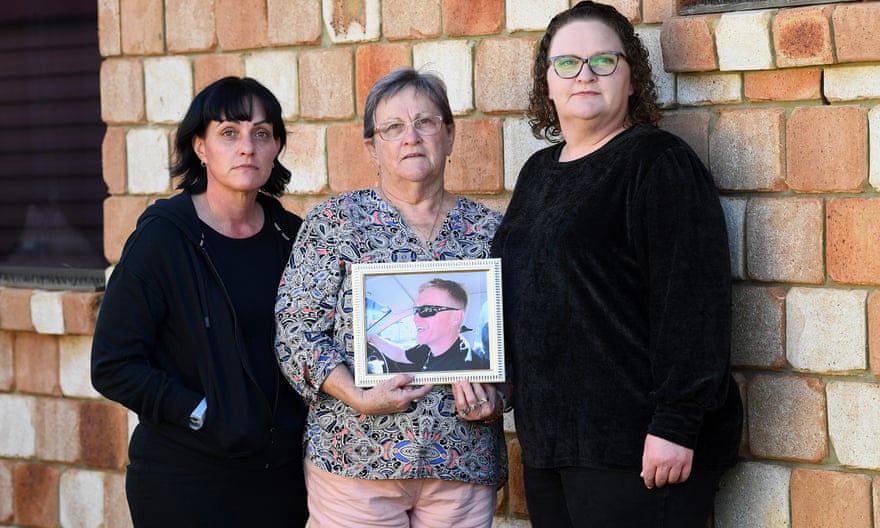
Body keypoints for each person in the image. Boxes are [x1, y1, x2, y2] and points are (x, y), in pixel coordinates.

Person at [490, 2, 743, 527]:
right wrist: (495, 378)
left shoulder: (657, 162)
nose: (585, 75)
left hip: (636, 452)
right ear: (548, 82)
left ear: (632, 78)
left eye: (604, 61)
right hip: (549, 444)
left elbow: (694, 300)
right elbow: (518, 292)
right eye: (567, 64)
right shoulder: (539, 172)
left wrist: (677, 422)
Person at [274, 67, 507, 528]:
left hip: (461, 465)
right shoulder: (335, 222)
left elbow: (522, 340)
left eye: (426, 122)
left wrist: (498, 399)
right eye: (393, 127)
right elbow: (296, 331)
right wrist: (357, 395)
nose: (411, 138)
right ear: (371, 146)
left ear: (450, 135)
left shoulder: (491, 230)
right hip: (355, 463)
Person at [91, 76, 309, 527]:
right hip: (185, 480)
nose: (247, 146)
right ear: (201, 147)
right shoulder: (163, 238)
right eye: (229, 132)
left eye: (262, 133)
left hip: (279, 482)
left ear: (276, 149)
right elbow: (112, 364)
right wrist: (199, 413)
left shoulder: (294, 237)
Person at [367, 277, 489, 372]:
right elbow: (402, 354)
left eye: (427, 310)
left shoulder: (464, 367)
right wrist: (372, 338)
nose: (415, 319)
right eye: (416, 311)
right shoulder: (430, 347)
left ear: (456, 317)